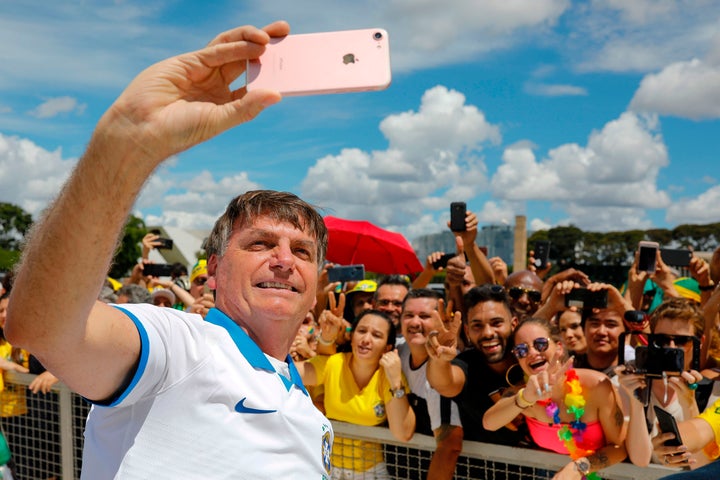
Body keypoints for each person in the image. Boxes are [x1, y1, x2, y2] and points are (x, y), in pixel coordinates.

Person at [6, 21, 334, 479]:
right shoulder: (182, 344)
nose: (283, 260)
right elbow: (43, 327)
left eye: (302, 252)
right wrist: (126, 145)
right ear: (214, 269)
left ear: (318, 282)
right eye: (260, 243)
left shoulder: (301, 400)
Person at [483, 317, 627, 479]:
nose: (532, 353)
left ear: (558, 348)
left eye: (540, 344)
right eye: (522, 350)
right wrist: (525, 399)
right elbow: (489, 423)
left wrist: (579, 468)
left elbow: (619, 448)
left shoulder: (597, 385)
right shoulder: (522, 393)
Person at [295, 310, 415, 479]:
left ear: (387, 348)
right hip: (328, 468)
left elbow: (403, 433)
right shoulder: (334, 363)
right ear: (351, 337)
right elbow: (287, 372)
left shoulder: (388, 375)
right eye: (361, 331)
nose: (366, 339)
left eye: (376, 335)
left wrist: (396, 382)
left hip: (371, 473)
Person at [426, 284, 528, 446]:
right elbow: (444, 384)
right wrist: (439, 359)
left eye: (496, 323)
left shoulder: (531, 357)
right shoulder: (467, 365)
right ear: (467, 331)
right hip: (486, 468)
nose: (487, 333)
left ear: (513, 324)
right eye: (477, 326)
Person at [616, 297, 706, 467]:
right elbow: (640, 460)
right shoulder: (629, 383)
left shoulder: (712, 391)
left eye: (681, 341)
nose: (670, 347)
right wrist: (636, 400)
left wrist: (689, 403)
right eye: (662, 340)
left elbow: (700, 464)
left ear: (699, 343)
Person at [398, 289, 463, 480]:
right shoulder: (399, 350)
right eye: (408, 315)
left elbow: (449, 446)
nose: (415, 322)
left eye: (425, 316)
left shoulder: (445, 368)